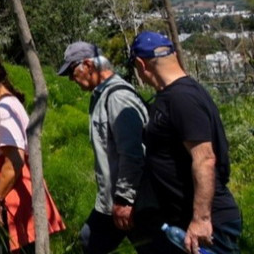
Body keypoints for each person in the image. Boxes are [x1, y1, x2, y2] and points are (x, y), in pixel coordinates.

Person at [130, 31, 243, 254]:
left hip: (208, 225)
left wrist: (201, 219)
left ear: (141, 65)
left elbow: (205, 159)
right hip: (181, 219)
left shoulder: (182, 98)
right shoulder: (173, 95)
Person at [0, 52, 64, 254]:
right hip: (9, 198)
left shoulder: (5, 111)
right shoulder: (0, 106)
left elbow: (14, 161)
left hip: (12, 201)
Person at [56, 41, 151, 254]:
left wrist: (124, 200)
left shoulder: (117, 97)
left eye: (72, 71)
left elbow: (132, 153)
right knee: (88, 242)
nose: (71, 79)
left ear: (88, 65)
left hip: (130, 202)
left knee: (91, 242)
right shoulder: (101, 96)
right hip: (114, 202)